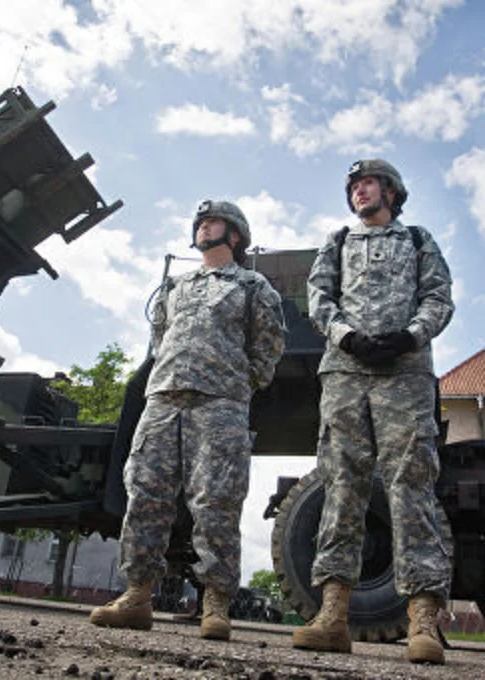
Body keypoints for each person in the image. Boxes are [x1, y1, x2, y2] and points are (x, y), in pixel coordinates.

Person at [89, 199, 285, 641]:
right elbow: (160, 340)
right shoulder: (174, 288)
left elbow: (268, 349)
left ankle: (215, 602)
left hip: (220, 404)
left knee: (217, 501)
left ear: (234, 234)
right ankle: (137, 595)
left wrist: (235, 385)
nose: (203, 226)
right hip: (162, 401)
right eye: (199, 221)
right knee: (145, 494)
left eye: (212, 221)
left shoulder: (253, 286)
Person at [292, 159, 455, 664]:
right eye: (354, 186)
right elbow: (317, 298)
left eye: (368, 183)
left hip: (405, 375)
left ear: (391, 191)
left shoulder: (418, 240)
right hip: (345, 374)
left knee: (412, 485)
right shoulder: (338, 243)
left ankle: (423, 620)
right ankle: (332, 615)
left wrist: (410, 336)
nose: (360, 191)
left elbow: (439, 297)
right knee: (341, 486)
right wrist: (348, 338)